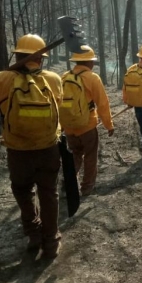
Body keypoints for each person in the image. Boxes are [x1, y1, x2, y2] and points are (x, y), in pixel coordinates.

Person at [0, 34, 63, 258]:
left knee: (22, 190)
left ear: (17, 54)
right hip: (48, 148)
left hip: (18, 151)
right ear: (42, 59)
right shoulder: (54, 79)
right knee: (49, 193)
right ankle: (51, 242)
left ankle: (33, 232)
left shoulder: (1, 80)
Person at [61, 45, 114, 196]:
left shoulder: (64, 77)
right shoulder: (92, 78)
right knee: (90, 156)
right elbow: (102, 104)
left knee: (75, 154)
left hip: (69, 126)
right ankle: (87, 187)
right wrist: (109, 125)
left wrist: (61, 126)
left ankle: (67, 184)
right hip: (87, 126)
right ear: (89, 62)